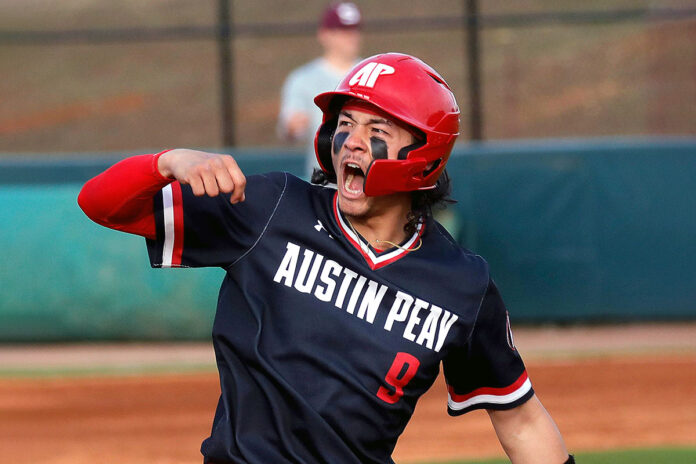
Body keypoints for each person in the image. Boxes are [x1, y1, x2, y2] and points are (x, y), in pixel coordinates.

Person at [78, 53, 574, 464]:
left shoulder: (462, 284)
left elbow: (521, 419)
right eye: (346, 123)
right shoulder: (269, 208)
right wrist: (166, 162)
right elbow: (100, 204)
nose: (353, 140)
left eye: (378, 127)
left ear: (424, 153)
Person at [278, 1, 362, 178]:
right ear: (324, 34)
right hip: (322, 180)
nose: (351, 37)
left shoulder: (369, 73)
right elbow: (290, 130)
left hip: (362, 176)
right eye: (343, 31)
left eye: (354, 30)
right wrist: (292, 127)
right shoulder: (303, 78)